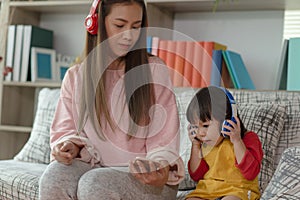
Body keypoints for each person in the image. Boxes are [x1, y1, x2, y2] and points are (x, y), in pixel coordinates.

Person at [39, 0, 184, 199]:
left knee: (95, 183)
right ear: (96, 23)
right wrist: (69, 146)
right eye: (119, 25)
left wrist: (159, 164)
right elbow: (65, 130)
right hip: (95, 167)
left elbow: (165, 138)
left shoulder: (153, 71)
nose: (129, 35)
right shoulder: (76, 76)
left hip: (148, 180)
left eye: (136, 26)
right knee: (54, 176)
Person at [185, 86, 263, 200]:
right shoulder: (204, 144)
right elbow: (196, 175)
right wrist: (195, 146)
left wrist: (237, 141)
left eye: (206, 125)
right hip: (209, 190)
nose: (200, 133)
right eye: (196, 127)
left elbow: (251, 172)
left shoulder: (248, 139)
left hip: (238, 190)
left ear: (227, 119)